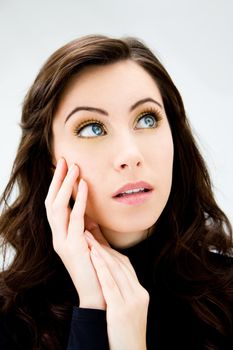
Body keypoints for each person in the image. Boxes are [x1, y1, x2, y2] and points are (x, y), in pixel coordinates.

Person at [0, 34, 232, 350]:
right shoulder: (11, 317)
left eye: (147, 119)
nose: (130, 153)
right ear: (51, 161)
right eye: (92, 128)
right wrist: (93, 311)